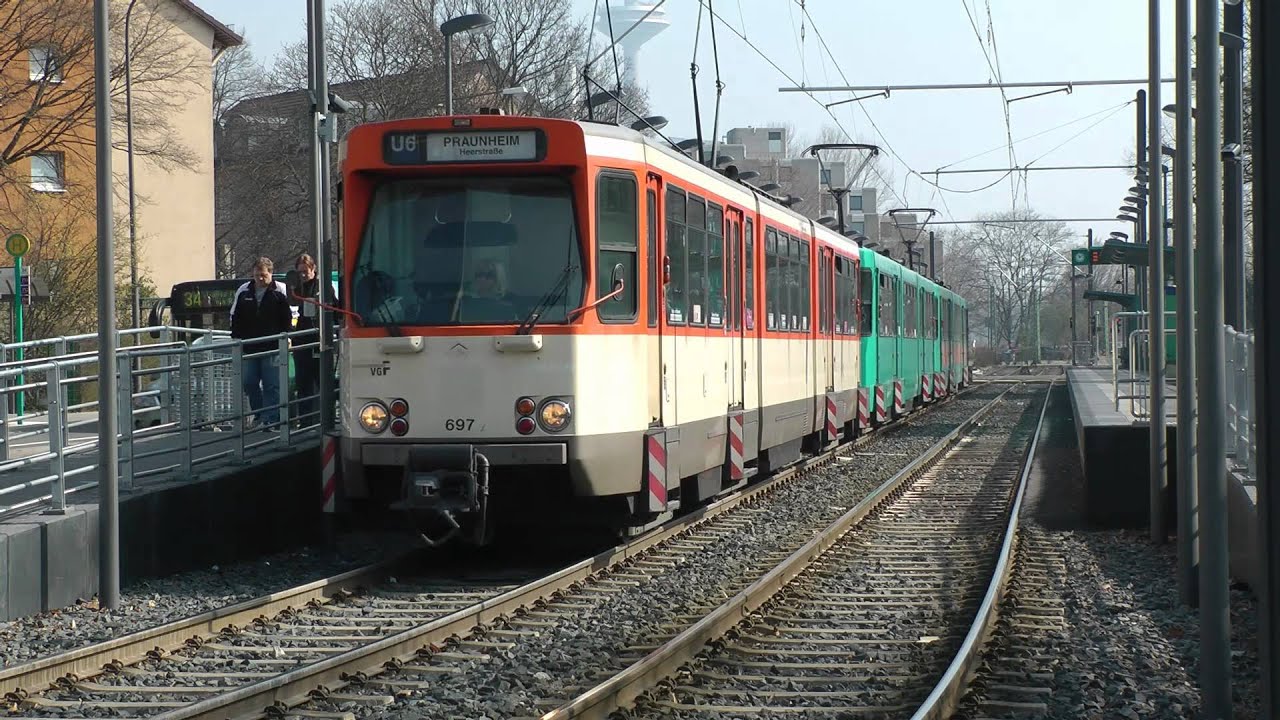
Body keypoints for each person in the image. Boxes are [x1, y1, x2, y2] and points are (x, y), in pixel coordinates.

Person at [230, 257, 293, 431]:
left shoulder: (280, 291)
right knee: (249, 382)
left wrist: (286, 336)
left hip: (272, 346)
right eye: (257, 275)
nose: (260, 278)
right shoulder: (244, 291)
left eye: (263, 275)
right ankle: (259, 413)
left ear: (270, 274)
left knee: (272, 384)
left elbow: (288, 316)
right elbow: (235, 316)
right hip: (250, 346)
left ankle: (270, 419)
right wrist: (236, 338)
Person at [291, 253, 335, 426]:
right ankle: (305, 421)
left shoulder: (323, 287)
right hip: (302, 341)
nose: (302, 275)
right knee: (303, 383)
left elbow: (334, 307)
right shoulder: (295, 288)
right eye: (299, 272)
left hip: (319, 339)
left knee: (322, 381)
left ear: (313, 269)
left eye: (305, 271)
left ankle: (325, 419)